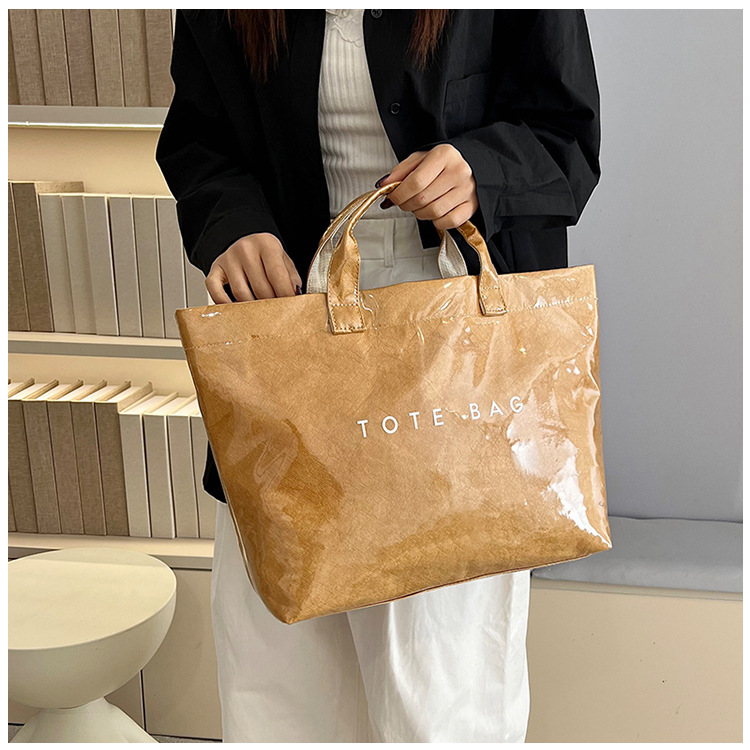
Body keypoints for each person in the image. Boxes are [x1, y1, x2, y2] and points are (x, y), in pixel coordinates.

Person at [156, 9, 600, 742]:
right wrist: (231, 225)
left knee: (438, 694)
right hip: (291, 339)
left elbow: (568, 137)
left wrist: (478, 170)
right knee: (283, 684)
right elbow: (199, 138)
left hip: (454, 357)